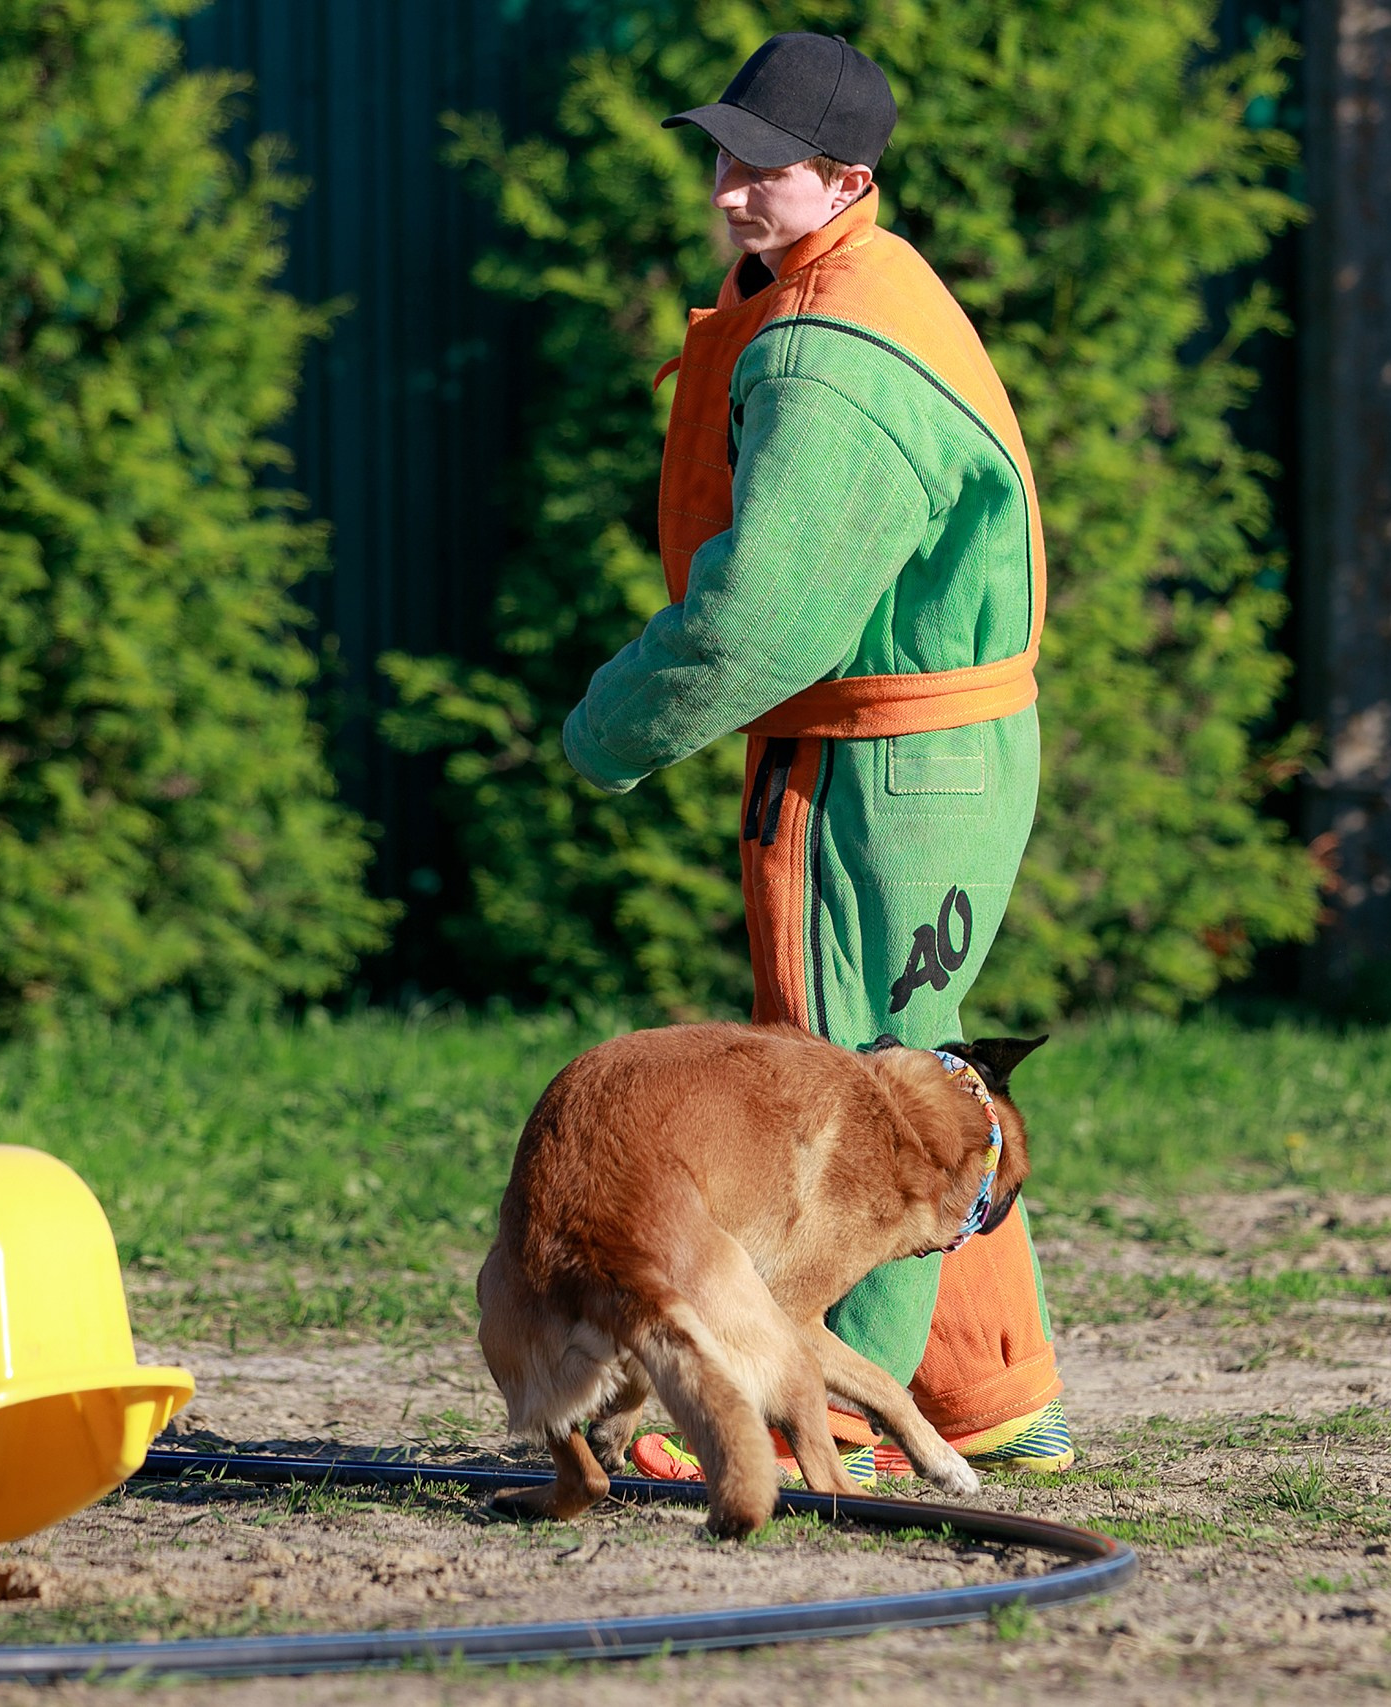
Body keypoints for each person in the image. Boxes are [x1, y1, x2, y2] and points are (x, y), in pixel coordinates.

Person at [559, 31, 1074, 1484]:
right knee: (922, 1067)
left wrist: (609, 730)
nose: (726, 192)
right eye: (721, 157)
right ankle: (988, 1385)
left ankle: (834, 1405)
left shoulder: (828, 354)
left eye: (761, 169)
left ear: (846, 178)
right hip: (951, 757)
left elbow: (761, 624)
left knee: (854, 1102)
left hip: (880, 770)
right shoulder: (865, 279)